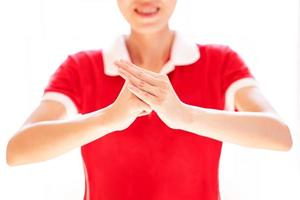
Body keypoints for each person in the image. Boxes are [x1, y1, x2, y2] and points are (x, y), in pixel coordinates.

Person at [6, 0, 292, 200]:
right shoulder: (82, 68)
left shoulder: (219, 62)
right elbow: (18, 151)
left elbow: (279, 136)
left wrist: (185, 116)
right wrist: (108, 119)